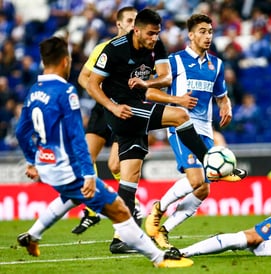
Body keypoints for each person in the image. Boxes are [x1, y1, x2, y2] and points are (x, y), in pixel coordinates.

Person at [14, 36, 193, 268]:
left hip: (46, 166)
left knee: (70, 196)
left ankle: (33, 235)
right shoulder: (65, 91)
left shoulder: (34, 91)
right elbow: (78, 138)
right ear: (64, 62)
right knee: (120, 210)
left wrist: (31, 160)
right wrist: (89, 175)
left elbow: (21, 131)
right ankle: (159, 259)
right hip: (68, 168)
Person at [86, 8, 246, 252]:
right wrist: (112, 107)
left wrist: (146, 82)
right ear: (136, 30)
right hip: (121, 109)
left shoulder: (157, 47)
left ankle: (122, 239)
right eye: (150, 34)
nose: (154, 39)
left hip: (137, 110)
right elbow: (91, 83)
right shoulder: (115, 48)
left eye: (157, 34)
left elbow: (165, 78)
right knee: (179, 115)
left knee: (129, 177)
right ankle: (209, 160)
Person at [144, 13, 247, 249]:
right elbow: (149, 92)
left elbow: (221, 97)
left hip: (205, 128)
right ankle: (158, 208)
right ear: (190, 35)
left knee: (203, 189)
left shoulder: (217, 65)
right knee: (197, 178)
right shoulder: (174, 61)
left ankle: (163, 231)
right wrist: (177, 100)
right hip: (180, 124)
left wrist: (227, 105)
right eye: (202, 31)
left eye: (210, 31)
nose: (207, 36)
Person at [70, 6, 138, 244]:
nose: (134, 25)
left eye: (136, 21)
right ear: (119, 24)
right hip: (104, 107)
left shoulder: (144, 51)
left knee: (115, 164)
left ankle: (133, 207)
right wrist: (102, 95)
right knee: (85, 159)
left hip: (127, 109)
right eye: (130, 20)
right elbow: (82, 78)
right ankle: (92, 208)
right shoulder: (103, 48)